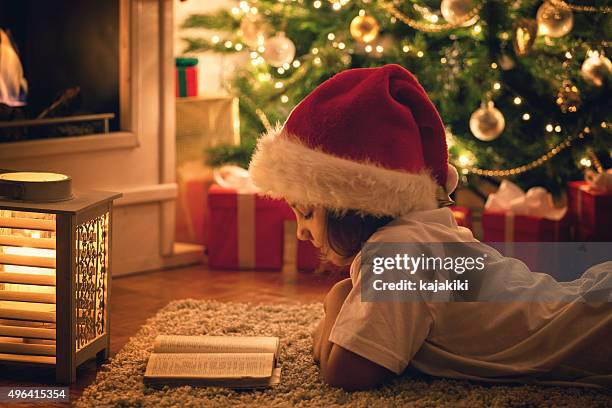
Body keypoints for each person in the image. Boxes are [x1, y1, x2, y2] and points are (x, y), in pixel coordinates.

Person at [248, 64, 612, 391]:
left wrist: (338, 299)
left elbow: (348, 372)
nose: (301, 231)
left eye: (307, 212)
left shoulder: (400, 251)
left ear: (353, 204)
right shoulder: (422, 234)